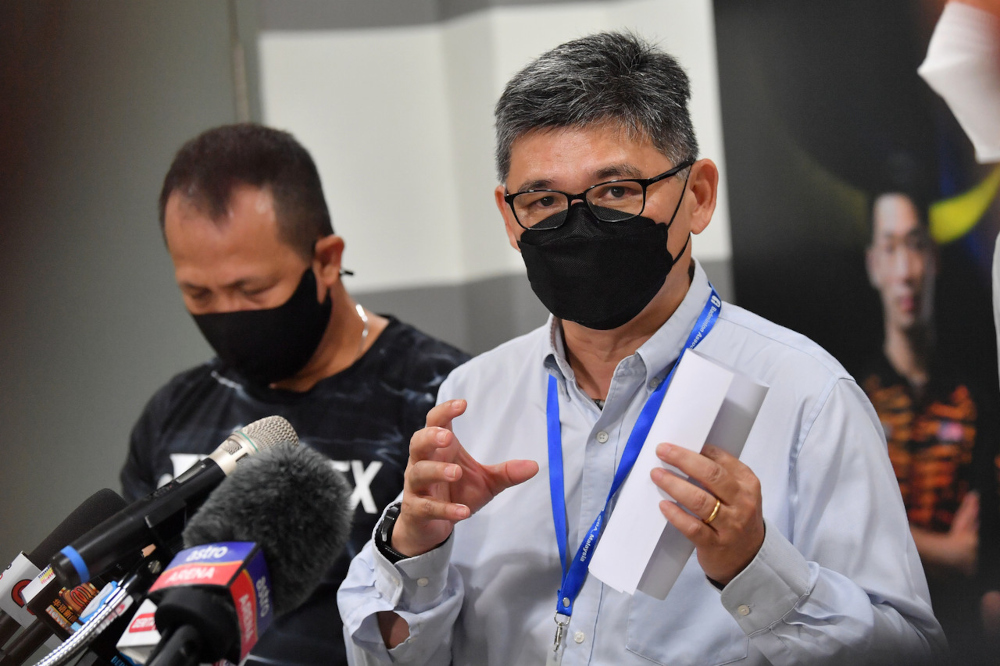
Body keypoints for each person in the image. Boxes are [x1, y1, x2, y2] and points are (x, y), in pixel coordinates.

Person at [338, 32, 945, 665]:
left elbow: (911, 653)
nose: (577, 222)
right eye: (543, 201)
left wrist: (755, 566)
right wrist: (414, 551)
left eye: (616, 192)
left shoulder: (806, 397)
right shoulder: (473, 397)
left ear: (699, 195)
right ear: (509, 217)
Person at [120, 124, 470, 666]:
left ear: (327, 260)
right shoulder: (174, 412)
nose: (227, 314)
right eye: (198, 293)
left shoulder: (439, 399)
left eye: (252, 289)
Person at [858, 188, 1000, 663]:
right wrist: (946, 552)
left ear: (933, 259)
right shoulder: (852, 395)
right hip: (877, 635)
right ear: (874, 263)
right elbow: (849, 536)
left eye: (916, 244)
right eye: (892, 247)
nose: (906, 271)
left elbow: (979, 547)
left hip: (963, 638)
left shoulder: (973, 400)